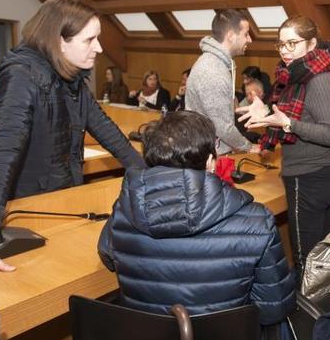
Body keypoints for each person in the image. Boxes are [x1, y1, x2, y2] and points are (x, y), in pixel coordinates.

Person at [0, 0, 145, 295]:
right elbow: (2, 152)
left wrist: (148, 175)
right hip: (30, 203)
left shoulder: (71, 75)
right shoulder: (20, 74)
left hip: (63, 194)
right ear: (59, 41)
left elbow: (104, 128)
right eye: (90, 40)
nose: (99, 48)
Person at [97, 110, 295, 325]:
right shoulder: (257, 221)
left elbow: (107, 256)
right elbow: (272, 310)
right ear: (211, 161)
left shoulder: (125, 210)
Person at [241, 16, 330, 276]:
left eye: (292, 43)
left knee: (306, 259)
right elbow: (299, 117)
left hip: (311, 178)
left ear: (312, 43)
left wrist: (288, 124)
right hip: (316, 174)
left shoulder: (319, 80)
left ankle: (307, 314)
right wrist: (267, 112)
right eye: (281, 44)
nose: (285, 50)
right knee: (319, 257)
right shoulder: (297, 76)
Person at [185, 9, 257, 155]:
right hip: (208, 155)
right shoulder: (213, 71)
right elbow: (223, 127)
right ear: (230, 35)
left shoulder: (215, 63)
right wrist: (249, 147)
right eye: (245, 34)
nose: (249, 39)